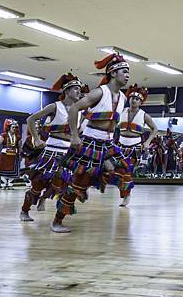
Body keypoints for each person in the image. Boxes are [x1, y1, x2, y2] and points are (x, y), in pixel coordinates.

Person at [50, 53, 131, 233]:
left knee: (123, 169)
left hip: (108, 144)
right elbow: (75, 109)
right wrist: (74, 135)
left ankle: (102, 186)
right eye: (124, 71)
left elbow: (113, 123)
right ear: (112, 72)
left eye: (128, 72)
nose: (127, 75)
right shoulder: (99, 92)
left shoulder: (123, 98)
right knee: (78, 182)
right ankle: (57, 220)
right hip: (91, 142)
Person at [20, 73, 83, 221]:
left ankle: (46, 203)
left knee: (59, 185)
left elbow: (78, 133)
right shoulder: (55, 107)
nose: (79, 92)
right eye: (76, 89)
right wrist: (36, 139)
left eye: (79, 89)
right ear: (66, 91)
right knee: (38, 184)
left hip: (67, 153)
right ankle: (24, 210)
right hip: (51, 151)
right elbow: (30, 119)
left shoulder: (80, 112)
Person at [116, 84, 158, 206]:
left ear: (141, 102)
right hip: (120, 145)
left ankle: (126, 195)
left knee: (126, 171)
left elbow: (154, 129)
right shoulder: (121, 112)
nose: (134, 100)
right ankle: (124, 192)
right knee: (119, 172)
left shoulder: (144, 115)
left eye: (137, 99)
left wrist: (148, 141)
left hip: (135, 147)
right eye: (132, 98)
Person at [0, 119, 21, 189]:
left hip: (14, 155)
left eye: (16, 127)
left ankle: (10, 184)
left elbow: (19, 146)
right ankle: (3, 185)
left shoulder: (18, 136)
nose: (14, 129)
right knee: (3, 169)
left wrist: (20, 154)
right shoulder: (3, 135)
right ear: (9, 127)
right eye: (13, 127)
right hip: (4, 155)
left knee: (13, 170)